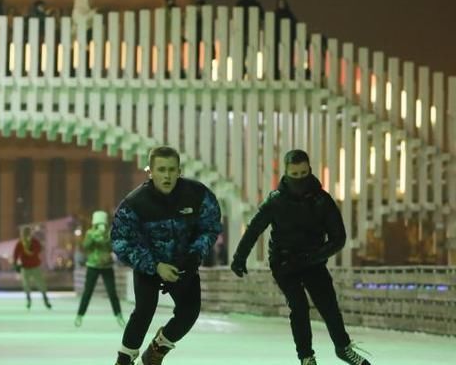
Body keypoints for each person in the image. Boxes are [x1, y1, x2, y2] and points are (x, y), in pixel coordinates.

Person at [230, 149, 372, 365]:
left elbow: (338, 238)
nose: (299, 179)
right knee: (298, 306)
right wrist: (240, 257)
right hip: (284, 263)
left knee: (328, 304)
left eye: (303, 173)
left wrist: (312, 257)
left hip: (313, 262)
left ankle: (342, 348)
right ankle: (306, 357)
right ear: (286, 174)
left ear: (310, 171)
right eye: (294, 175)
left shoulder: (322, 201)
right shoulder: (275, 201)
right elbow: (254, 228)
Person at [111, 146, 222, 365]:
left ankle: (156, 350)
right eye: (161, 170)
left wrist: (193, 256)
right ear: (150, 171)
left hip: (184, 264)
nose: (167, 175)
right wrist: (154, 265)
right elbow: (120, 241)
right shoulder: (134, 203)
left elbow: (210, 226)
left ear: (179, 170)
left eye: (172, 170)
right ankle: (124, 359)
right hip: (149, 265)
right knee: (144, 310)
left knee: (189, 312)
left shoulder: (198, 194)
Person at [74, 210, 124, 328]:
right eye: (98, 223)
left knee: (112, 293)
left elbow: (113, 247)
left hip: (107, 266)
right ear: (94, 223)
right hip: (93, 266)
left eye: (102, 223)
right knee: (87, 292)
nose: (100, 225)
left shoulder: (110, 234)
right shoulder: (90, 233)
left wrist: (104, 236)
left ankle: (119, 315)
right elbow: (86, 247)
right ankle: (80, 315)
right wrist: (93, 237)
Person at [12, 225, 52, 310]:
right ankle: (29, 300)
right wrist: (15, 264)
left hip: (35, 267)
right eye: (25, 233)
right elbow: (15, 255)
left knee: (41, 284)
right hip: (25, 268)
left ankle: (45, 299)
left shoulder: (34, 242)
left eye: (27, 232)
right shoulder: (20, 243)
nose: (26, 234)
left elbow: (37, 250)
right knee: (26, 285)